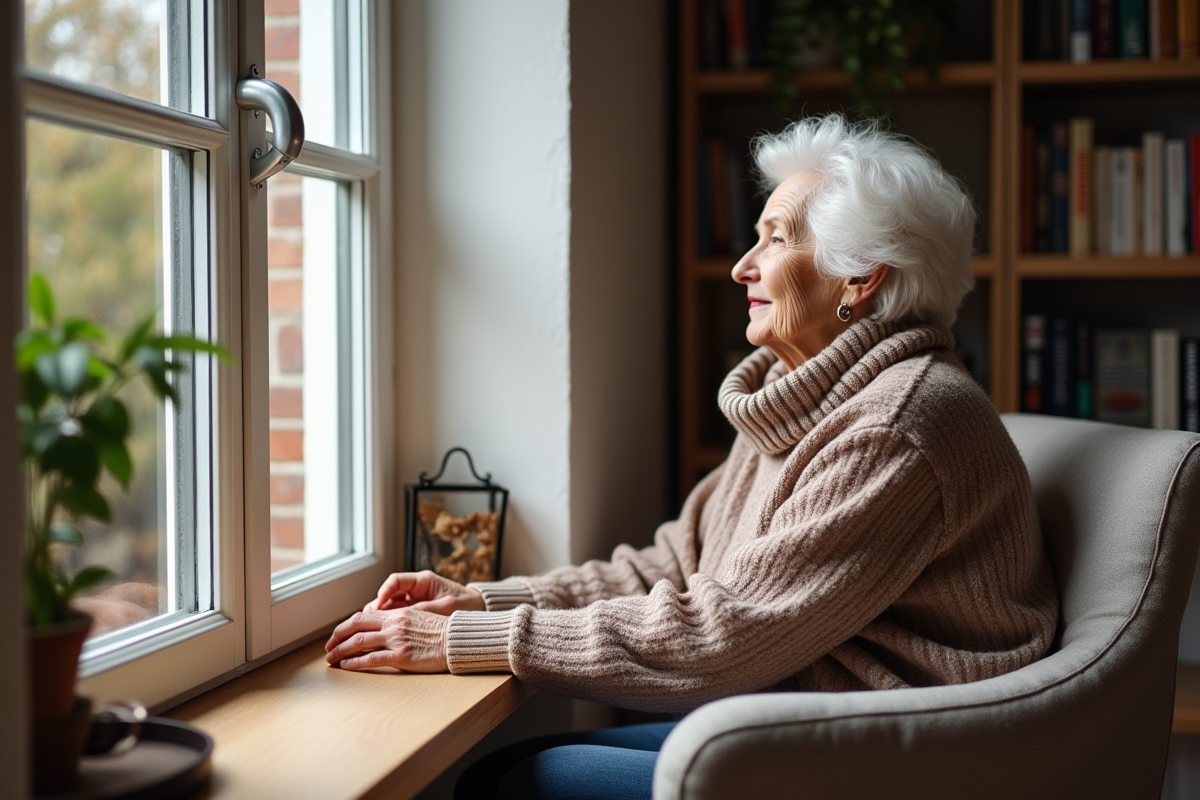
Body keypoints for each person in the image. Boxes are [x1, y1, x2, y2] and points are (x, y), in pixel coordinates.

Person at [325, 114, 1059, 799]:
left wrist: (465, 641)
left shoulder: (897, 425)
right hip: (810, 718)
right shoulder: (803, 398)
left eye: (775, 238)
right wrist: (482, 601)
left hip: (904, 757)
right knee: (508, 774)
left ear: (860, 277)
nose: (744, 266)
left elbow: (725, 635)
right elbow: (672, 568)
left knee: (518, 787)